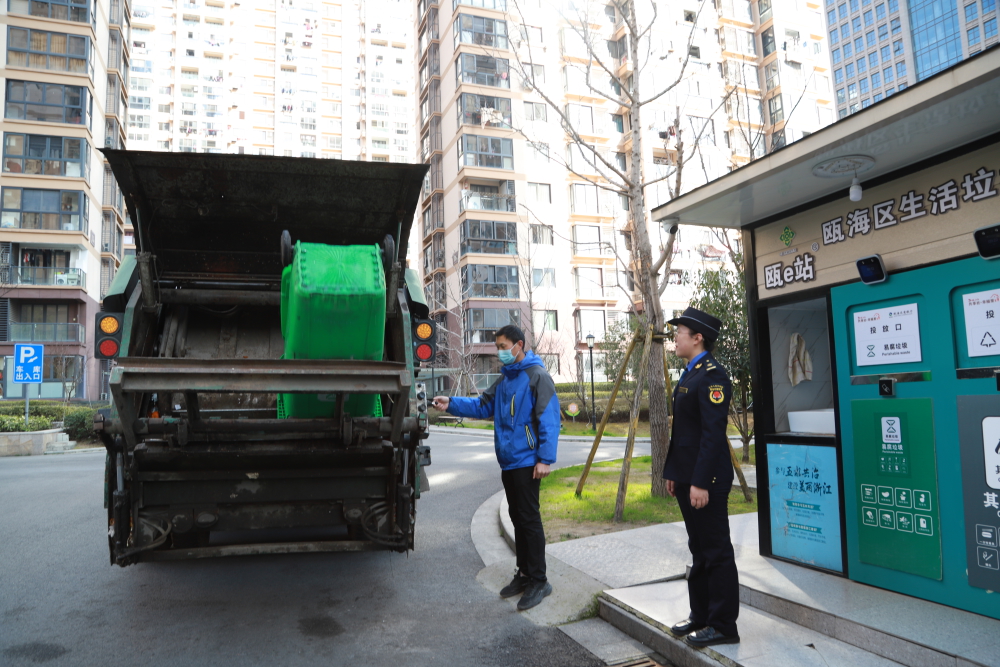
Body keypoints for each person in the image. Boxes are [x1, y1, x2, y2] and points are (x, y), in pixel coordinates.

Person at [432, 324, 560, 611]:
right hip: (509, 462)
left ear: (519, 345)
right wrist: (450, 403)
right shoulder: (505, 380)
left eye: (503, 346)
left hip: (528, 462)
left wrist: (545, 459)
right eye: (497, 347)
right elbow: (481, 406)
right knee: (517, 518)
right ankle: (525, 574)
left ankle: (540, 580)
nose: (499, 352)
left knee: (529, 519)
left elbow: (550, 419)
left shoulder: (536, 376)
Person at [662, 307, 740, 647]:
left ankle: (723, 625)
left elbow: (711, 434)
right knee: (699, 548)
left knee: (716, 550)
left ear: (698, 338)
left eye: (680, 331)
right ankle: (702, 615)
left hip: (705, 479)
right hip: (688, 476)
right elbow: (684, 432)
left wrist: (699, 482)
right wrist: (675, 474)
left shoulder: (712, 376)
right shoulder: (690, 373)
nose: (675, 336)